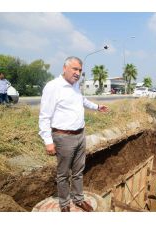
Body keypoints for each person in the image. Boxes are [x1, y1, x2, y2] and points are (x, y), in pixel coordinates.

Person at [39, 56, 108, 212]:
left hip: (79, 135)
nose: (78, 73)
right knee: (63, 174)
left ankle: (78, 199)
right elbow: (44, 116)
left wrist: (97, 107)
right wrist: (48, 141)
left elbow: (81, 100)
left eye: (80, 70)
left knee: (78, 171)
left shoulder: (76, 85)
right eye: (75, 69)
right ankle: (64, 205)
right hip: (63, 137)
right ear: (65, 68)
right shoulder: (53, 87)